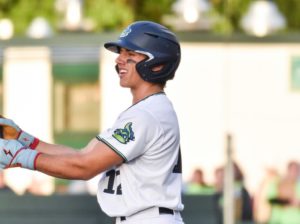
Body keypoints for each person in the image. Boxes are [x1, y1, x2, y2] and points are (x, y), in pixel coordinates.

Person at [0, 21, 184, 224]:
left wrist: (20, 157)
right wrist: (23, 139)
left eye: (130, 54)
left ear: (157, 64)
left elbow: (84, 167)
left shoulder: (147, 114)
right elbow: (81, 155)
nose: (120, 59)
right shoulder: (147, 110)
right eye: (121, 52)